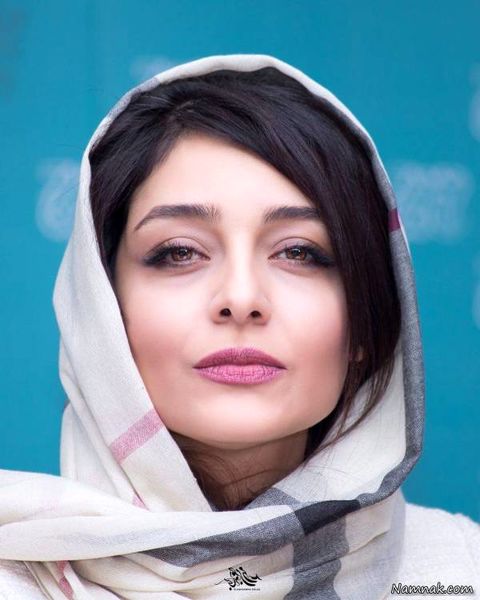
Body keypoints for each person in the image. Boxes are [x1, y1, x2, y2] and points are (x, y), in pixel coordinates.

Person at [0, 53, 478, 599]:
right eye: (179, 251)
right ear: (101, 311)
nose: (242, 298)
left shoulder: (458, 572)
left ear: (365, 322)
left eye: (299, 252)